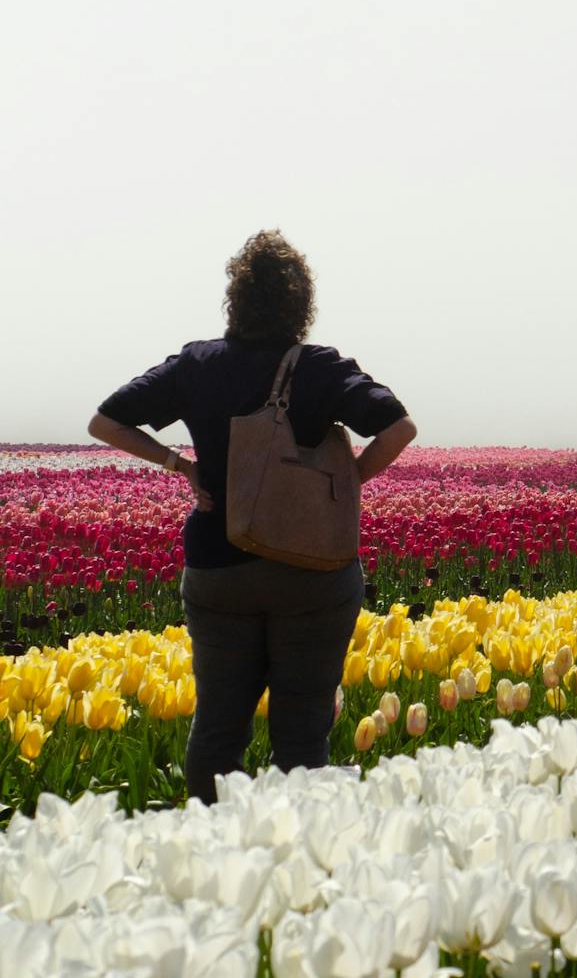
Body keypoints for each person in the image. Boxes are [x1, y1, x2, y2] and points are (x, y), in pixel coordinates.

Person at [88, 231, 417, 803]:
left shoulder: (197, 364)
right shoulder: (320, 367)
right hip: (312, 571)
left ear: (235, 299)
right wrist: (346, 483)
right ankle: (292, 848)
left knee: (218, 726)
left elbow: (105, 422)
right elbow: (398, 428)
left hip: (220, 567)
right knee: (303, 730)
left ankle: (212, 843)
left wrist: (180, 465)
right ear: (301, 304)